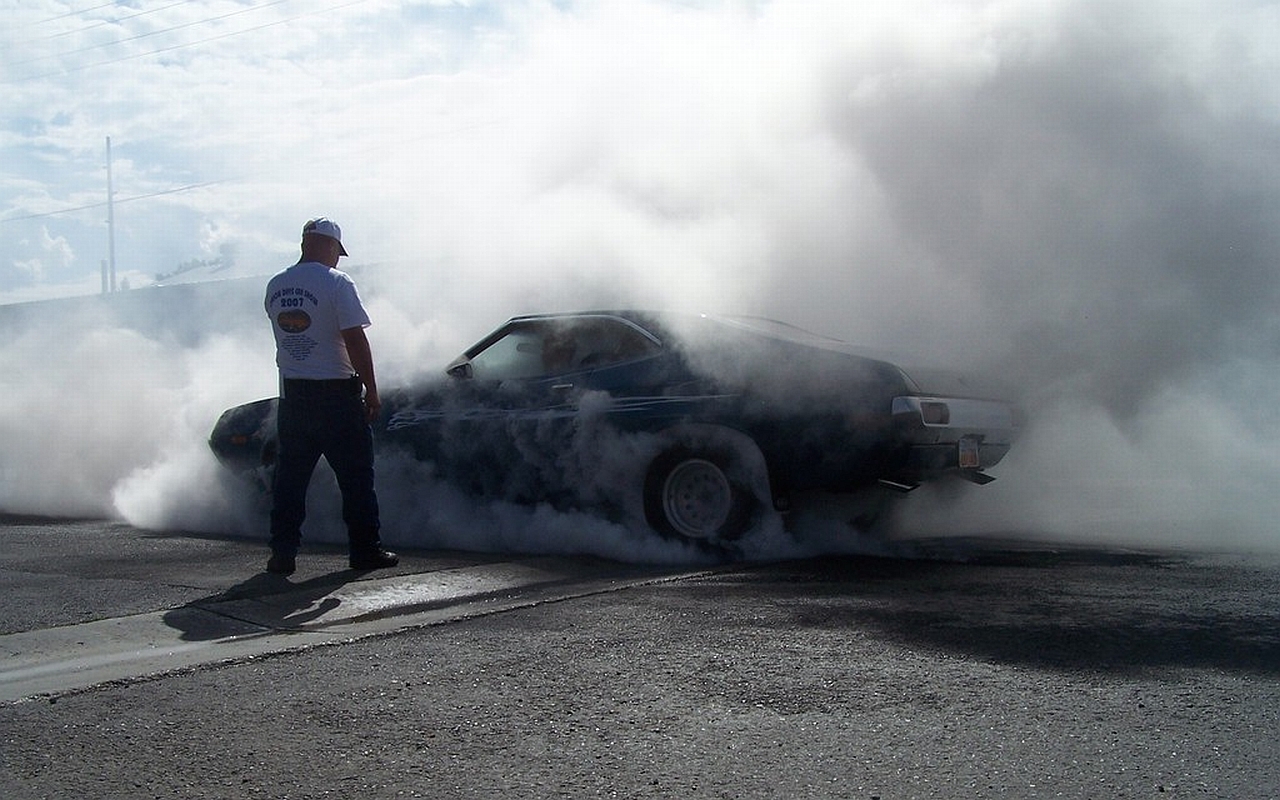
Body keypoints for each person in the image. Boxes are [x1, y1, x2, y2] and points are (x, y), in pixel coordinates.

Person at [263, 217, 398, 575]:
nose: (338, 259)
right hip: (336, 397)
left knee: (290, 481)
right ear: (327, 246)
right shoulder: (337, 282)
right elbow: (354, 338)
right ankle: (365, 550)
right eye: (337, 251)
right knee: (356, 479)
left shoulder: (276, 285)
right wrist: (372, 389)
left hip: (293, 398)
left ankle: (282, 553)